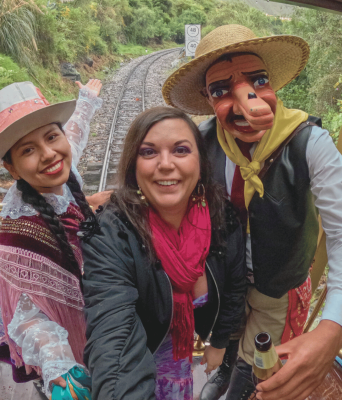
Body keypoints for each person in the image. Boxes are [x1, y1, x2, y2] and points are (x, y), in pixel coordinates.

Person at [162, 24, 342, 400]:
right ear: (207, 99)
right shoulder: (202, 141)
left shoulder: (309, 143)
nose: (244, 102)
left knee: (259, 360)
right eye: (221, 90)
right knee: (232, 332)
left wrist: (334, 326)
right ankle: (228, 364)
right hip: (226, 276)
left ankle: (243, 382)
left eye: (258, 81)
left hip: (278, 284)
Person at [81, 106, 247, 400]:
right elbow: (112, 329)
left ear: (200, 161)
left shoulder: (222, 218)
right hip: (140, 356)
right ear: (133, 165)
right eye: (148, 152)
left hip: (179, 355)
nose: (166, 164)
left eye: (181, 150)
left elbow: (234, 289)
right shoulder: (113, 231)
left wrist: (219, 343)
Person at [0, 79, 104, 398]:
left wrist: (86, 100)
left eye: (52, 137)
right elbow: (29, 318)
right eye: (28, 150)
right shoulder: (21, 234)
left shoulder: (62, 177)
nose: (48, 154)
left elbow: (74, 138)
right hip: (66, 337)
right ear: (12, 169)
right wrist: (58, 365)